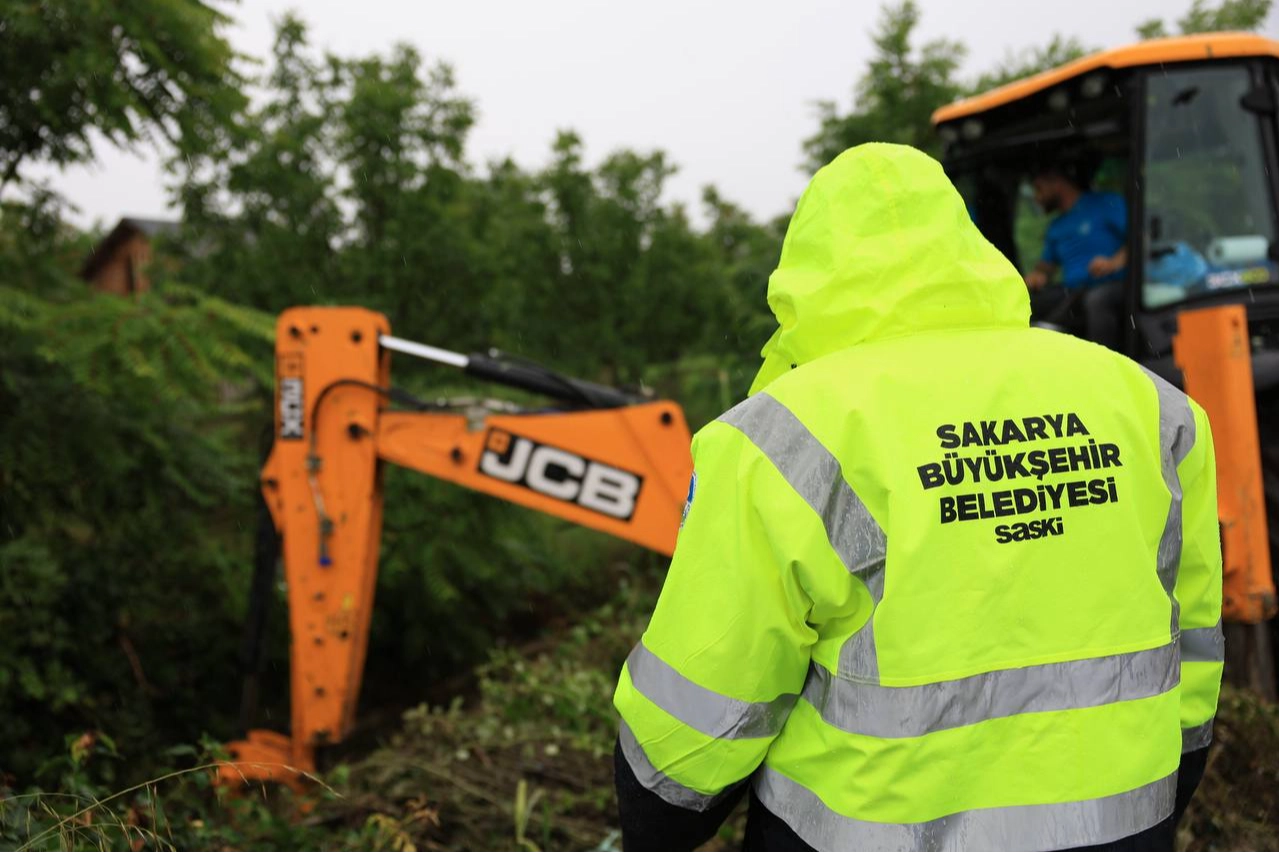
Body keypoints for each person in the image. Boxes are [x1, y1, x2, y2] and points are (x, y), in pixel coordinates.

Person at [613, 144, 1223, 853]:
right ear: (967, 243)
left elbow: (692, 724)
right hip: (1122, 829)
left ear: (806, 272)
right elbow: (1193, 640)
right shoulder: (1151, 407)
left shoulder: (779, 437)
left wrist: (655, 826)